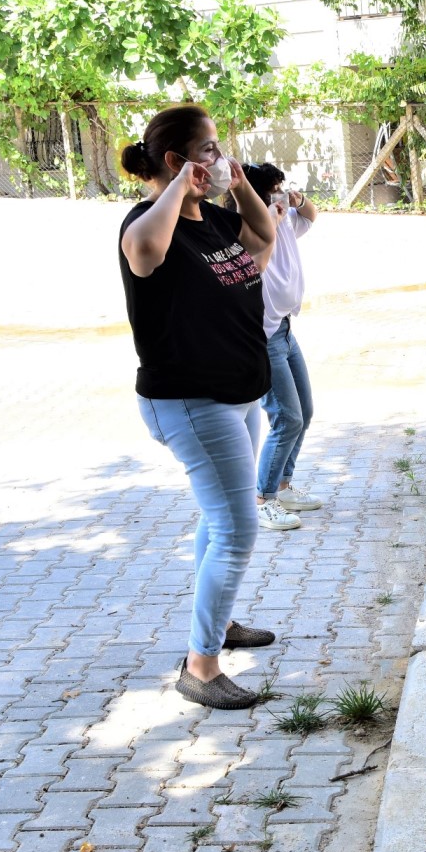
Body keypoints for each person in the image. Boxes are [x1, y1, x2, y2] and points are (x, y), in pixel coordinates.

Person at [118, 104, 281, 711]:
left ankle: (221, 621)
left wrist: (238, 186)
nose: (220, 156)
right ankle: (201, 666)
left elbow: (263, 241)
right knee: (237, 528)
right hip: (189, 400)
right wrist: (180, 187)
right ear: (175, 160)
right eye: (209, 149)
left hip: (237, 397)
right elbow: (143, 252)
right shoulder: (147, 222)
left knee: (218, 520)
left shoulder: (213, 219)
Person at [244, 162, 322, 530]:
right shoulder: (246, 227)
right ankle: (263, 499)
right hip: (264, 336)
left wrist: (298, 201)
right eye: (273, 189)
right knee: (286, 418)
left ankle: (283, 486)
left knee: (304, 411)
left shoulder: (285, 217)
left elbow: (311, 215)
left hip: (285, 329)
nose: (281, 193)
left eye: (281, 186)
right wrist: (271, 219)